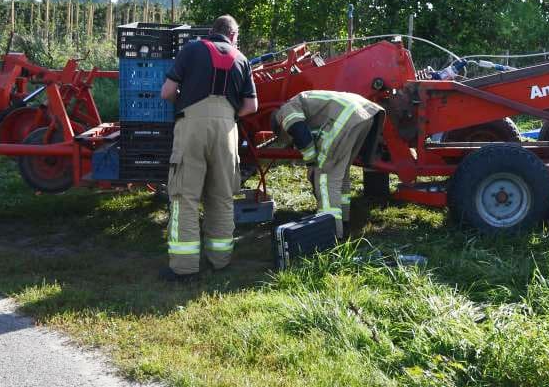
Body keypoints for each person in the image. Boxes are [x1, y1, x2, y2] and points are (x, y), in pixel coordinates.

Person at [158, 15, 257, 282]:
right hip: (227, 132)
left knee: (185, 197)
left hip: (191, 127)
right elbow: (251, 107)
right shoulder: (241, 58)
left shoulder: (191, 49)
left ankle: (184, 268)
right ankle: (220, 261)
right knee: (222, 197)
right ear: (233, 35)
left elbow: (167, 92)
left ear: (211, 31)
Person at [271, 90, 384, 238]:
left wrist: (311, 163)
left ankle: (331, 235)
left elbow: (299, 132)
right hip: (365, 113)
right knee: (340, 174)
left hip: (346, 118)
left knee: (325, 176)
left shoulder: (284, 112)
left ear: (279, 125)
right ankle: (344, 222)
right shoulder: (301, 101)